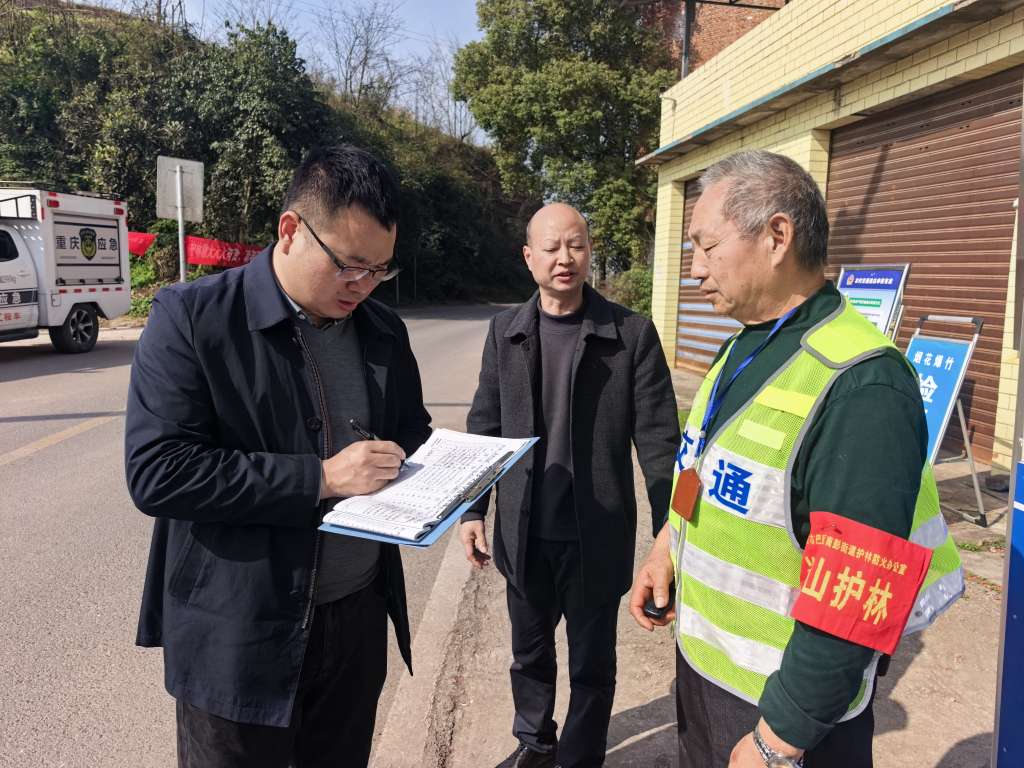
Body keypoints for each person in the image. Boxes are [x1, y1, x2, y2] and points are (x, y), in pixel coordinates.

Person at [629, 150, 964, 768]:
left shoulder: (862, 385)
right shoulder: (742, 348)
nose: (694, 268)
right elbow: (699, 467)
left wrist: (778, 740)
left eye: (706, 246)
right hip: (708, 674)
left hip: (784, 717)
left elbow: (855, 593)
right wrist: (665, 547)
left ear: (777, 236)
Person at [125, 144, 432, 768]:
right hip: (239, 633)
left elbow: (411, 432)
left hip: (354, 621)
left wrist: (448, 476)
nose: (362, 286)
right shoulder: (193, 318)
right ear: (290, 230)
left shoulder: (382, 330)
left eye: (379, 270)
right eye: (349, 265)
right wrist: (320, 478)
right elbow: (159, 472)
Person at [460, 202, 680, 768]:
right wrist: (472, 510)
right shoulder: (505, 331)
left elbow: (660, 445)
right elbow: (485, 425)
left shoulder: (630, 334)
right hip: (524, 533)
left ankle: (581, 757)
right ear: (528, 257)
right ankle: (535, 744)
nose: (565, 258)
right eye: (552, 247)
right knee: (529, 656)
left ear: (589, 251)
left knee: (592, 666)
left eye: (576, 245)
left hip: (595, 536)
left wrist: (670, 538)